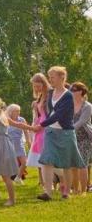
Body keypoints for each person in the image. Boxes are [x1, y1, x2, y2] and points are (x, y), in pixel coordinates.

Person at [33, 66, 85, 201]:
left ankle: (66, 192)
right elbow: (50, 112)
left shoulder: (68, 96)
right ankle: (48, 192)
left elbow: (59, 114)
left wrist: (41, 125)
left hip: (65, 133)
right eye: (49, 77)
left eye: (53, 77)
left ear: (62, 78)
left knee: (66, 164)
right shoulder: (50, 93)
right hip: (51, 132)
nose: (50, 80)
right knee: (46, 160)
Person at [27, 73, 51, 177]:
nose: (36, 88)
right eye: (34, 86)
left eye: (38, 85)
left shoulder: (50, 95)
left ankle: (56, 180)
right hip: (39, 126)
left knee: (47, 152)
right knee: (40, 153)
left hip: (47, 125)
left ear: (44, 84)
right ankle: (44, 181)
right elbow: (39, 115)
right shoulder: (40, 97)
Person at [70, 82, 92, 194]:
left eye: (73, 90)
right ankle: (75, 190)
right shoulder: (69, 105)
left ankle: (83, 191)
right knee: (73, 165)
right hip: (72, 138)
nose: (71, 92)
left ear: (81, 92)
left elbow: (81, 121)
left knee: (82, 164)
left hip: (85, 138)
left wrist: (68, 130)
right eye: (71, 90)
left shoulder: (87, 106)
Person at [6, 104, 31, 184]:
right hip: (9, 143)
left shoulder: (22, 120)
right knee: (13, 164)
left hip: (19, 143)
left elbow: (26, 131)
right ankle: (12, 179)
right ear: (11, 112)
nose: (18, 112)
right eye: (16, 111)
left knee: (25, 162)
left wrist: (28, 141)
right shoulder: (7, 120)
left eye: (19, 111)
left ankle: (18, 177)